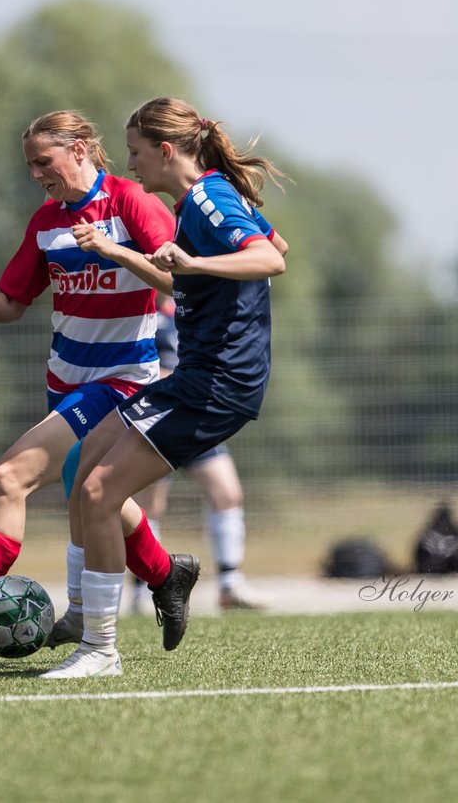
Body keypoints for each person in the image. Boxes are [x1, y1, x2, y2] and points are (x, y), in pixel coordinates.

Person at [0, 110, 201, 666]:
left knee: (8, 478)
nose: (36, 174)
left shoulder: (130, 201)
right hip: (65, 384)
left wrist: (113, 251)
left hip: (122, 381)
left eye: (44, 162)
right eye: (31, 165)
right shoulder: (46, 223)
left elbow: (180, 277)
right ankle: (166, 572)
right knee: (92, 498)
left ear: (80, 150)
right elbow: (11, 304)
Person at [43, 97, 287, 678]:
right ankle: (88, 613)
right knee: (86, 468)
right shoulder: (201, 200)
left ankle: (99, 648)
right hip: (198, 375)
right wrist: (131, 254)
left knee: (100, 491)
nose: (130, 166)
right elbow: (278, 244)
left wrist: (199, 267)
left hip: (217, 383)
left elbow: (268, 263)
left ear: (166, 150)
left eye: (134, 153)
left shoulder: (207, 198)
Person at [130, 293, 267, 612]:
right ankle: (142, 591)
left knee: (227, 494)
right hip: (158, 417)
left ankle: (230, 584)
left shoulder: (194, 305)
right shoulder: (145, 312)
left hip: (196, 415)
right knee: (150, 506)